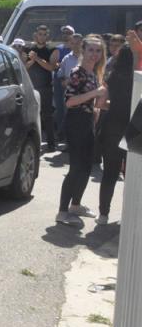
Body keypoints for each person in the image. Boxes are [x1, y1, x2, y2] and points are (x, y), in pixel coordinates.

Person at [56, 35, 107, 225]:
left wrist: (98, 105)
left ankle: (75, 205)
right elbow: (70, 102)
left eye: (98, 50)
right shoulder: (78, 72)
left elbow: (92, 101)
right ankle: (62, 212)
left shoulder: (94, 73)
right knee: (76, 168)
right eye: (91, 50)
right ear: (83, 51)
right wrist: (95, 94)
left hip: (86, 122)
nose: (94, 54)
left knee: (86, 167)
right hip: (75, 122)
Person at [96, 45, 134, 224]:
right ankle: (129, 215)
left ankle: (103, 214)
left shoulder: (112, 77)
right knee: (132, 175)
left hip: (112, 126)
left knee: (110, 173)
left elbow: (102, 104)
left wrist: (114, 104)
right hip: (133, 129)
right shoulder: (137, 78)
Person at [26, 25, 57, 152]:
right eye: (40, 34)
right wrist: (32, 60)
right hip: (31, 87)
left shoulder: (52, 49)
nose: (42, 36)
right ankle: (32, 142)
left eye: (44, 34)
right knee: (30, 115)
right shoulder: (29, 49)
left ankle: (51, 143)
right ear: (36, 35)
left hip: (45, 88)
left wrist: (37, 58)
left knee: (47, 116)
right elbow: (24, 66)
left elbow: (51, 67)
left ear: (47, 36)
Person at [53, 26, 75, 144]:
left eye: (69, 33)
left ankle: (67, 134)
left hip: (73, 82)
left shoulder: (78, 49)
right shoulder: (59, 49)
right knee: (60, 108)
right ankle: (61, 134)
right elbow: (53, 64)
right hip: (60, 81)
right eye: (64, 33)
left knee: (69, 108)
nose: (66, 34)